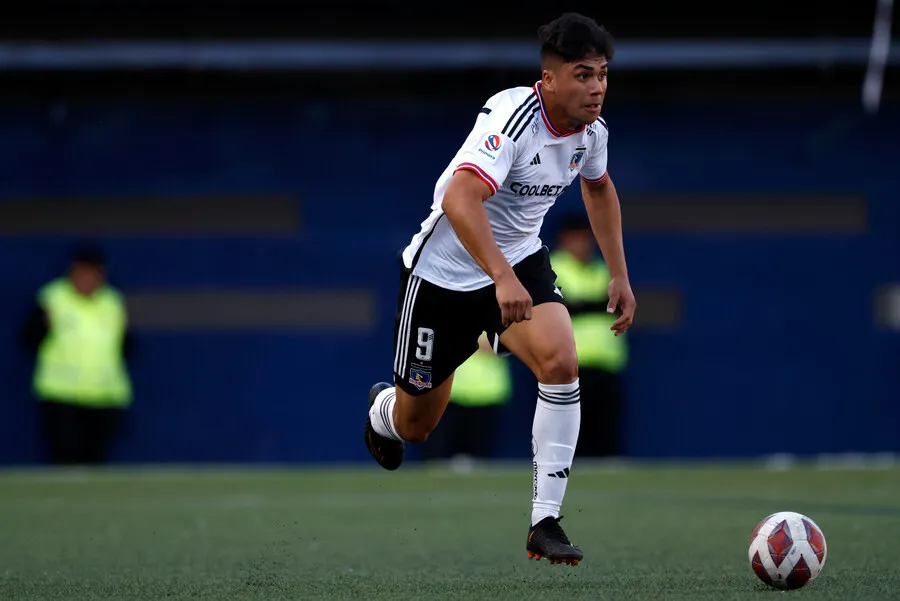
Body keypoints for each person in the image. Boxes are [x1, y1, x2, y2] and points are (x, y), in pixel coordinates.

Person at [364, 12, 636, 566]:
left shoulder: (592, 134)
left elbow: (599, 189)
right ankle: (383, 411)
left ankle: (545, 521)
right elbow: (459, 199)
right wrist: (501, 279)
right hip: (441, 278)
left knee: (561, 361)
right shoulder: (512, 116)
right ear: (550, 78)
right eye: (583, 75)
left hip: (518, 261)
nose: (597, 88)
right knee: (418, 426)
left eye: (603, 74)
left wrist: (619, 273)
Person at [20, 245, 133, 465]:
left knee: (96, 463)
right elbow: (28, 341)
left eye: (92, 273)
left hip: (105, 396)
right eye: (81, 272)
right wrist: (42, 326)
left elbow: (127, 348)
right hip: (61, 396)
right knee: (66, 460)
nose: (86, 279)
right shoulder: (52, 299)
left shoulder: (112, 302)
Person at [551, 214, 628, 458]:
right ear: (564, 240)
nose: (582, 244)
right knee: (572, 427)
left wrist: (587, 305)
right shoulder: (553, 267)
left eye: (585, 239)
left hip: (606, 360)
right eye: (576, 239)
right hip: (570, 363)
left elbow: (618, 305)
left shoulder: (602, 269)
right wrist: (598, 305)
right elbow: (563, 307)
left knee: (606, 424)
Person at [419, 332, 513, 464]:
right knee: (438, 456)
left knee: (478, 457)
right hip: (449, 392)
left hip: (486, 393)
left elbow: (506, 344)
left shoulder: (500, 317)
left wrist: (462, 340)